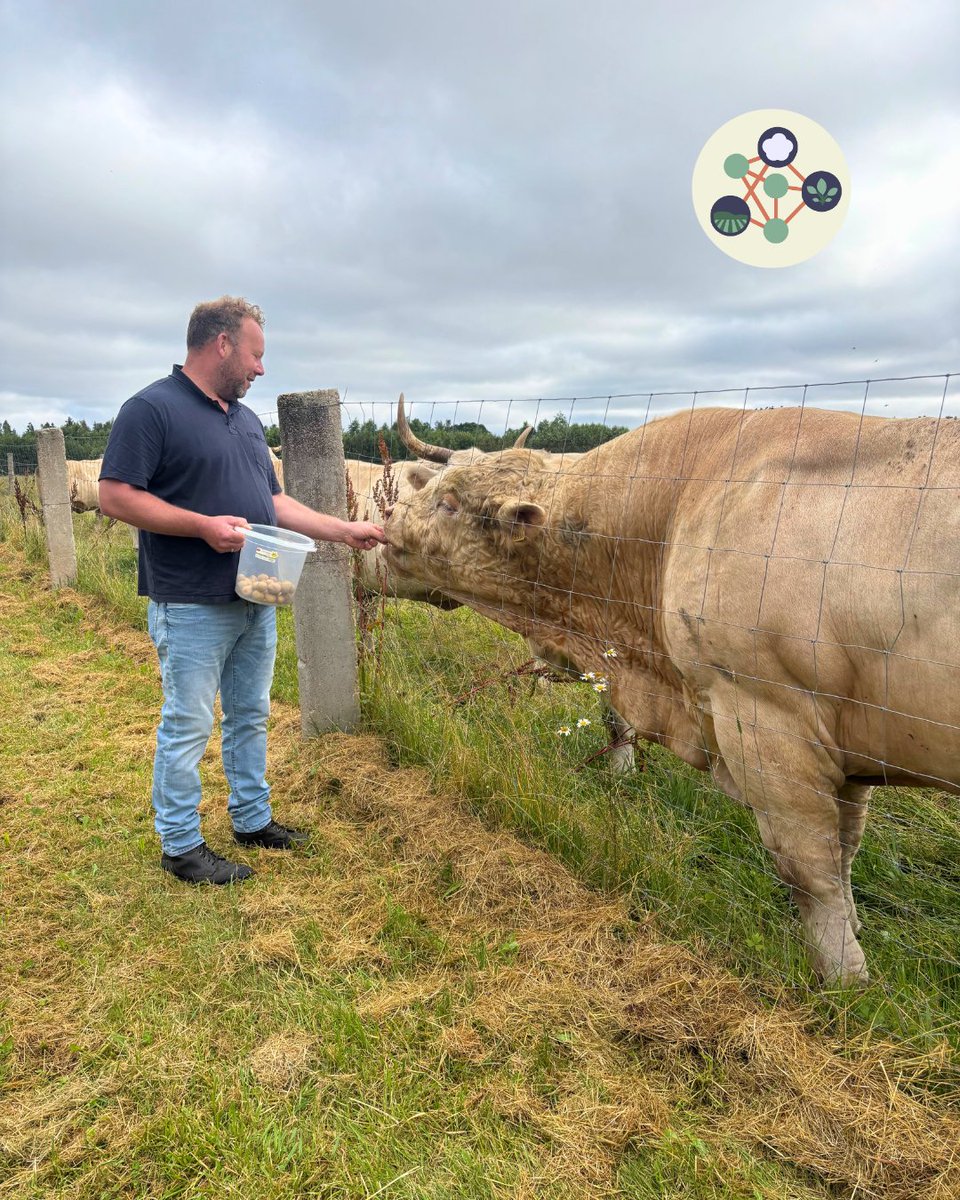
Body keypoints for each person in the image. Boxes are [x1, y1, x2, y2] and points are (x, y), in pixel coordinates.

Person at [99, 296, 386, 886]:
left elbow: (272, 503)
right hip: (191, 602)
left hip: (257, 592)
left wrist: (343, 530)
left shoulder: (246, 420)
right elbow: (116, 495)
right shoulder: (151, 409)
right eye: (256, 354)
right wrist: (201, 526)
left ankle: (252, 819)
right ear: (222, 343)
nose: (260, 368)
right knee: (188, 724)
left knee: (251, 714)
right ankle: (181, 846)